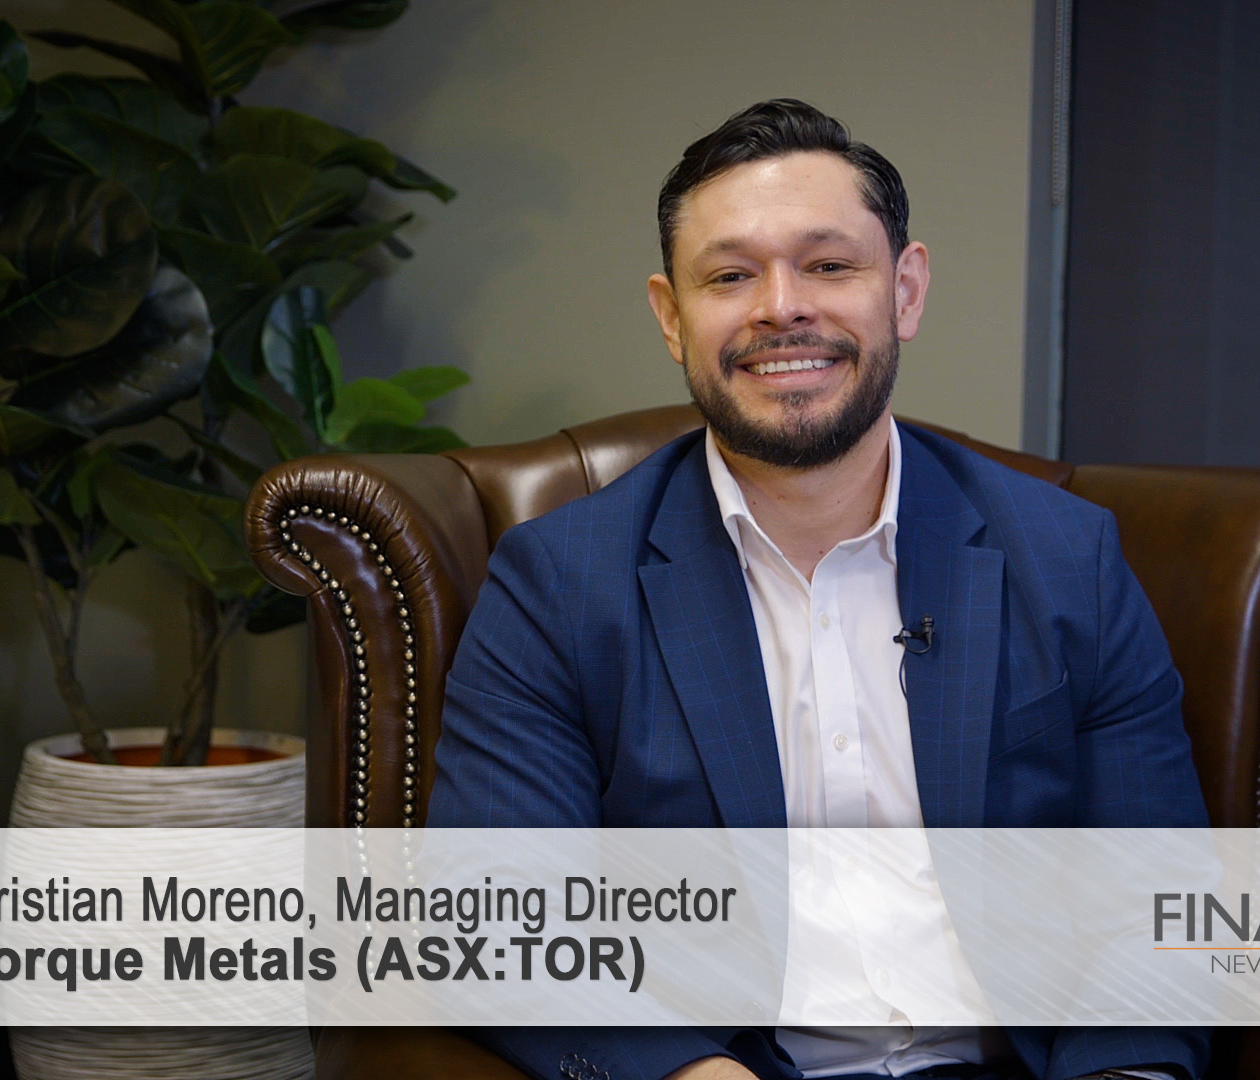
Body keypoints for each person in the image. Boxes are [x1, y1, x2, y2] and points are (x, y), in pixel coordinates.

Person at [428, 99, 1210, 1080]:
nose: (781, 307)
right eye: (730, 276)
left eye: (830, 266)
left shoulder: (1067, 557)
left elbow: (1156, 898)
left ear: (906, 292)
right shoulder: (558, 585)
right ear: (672, 318)